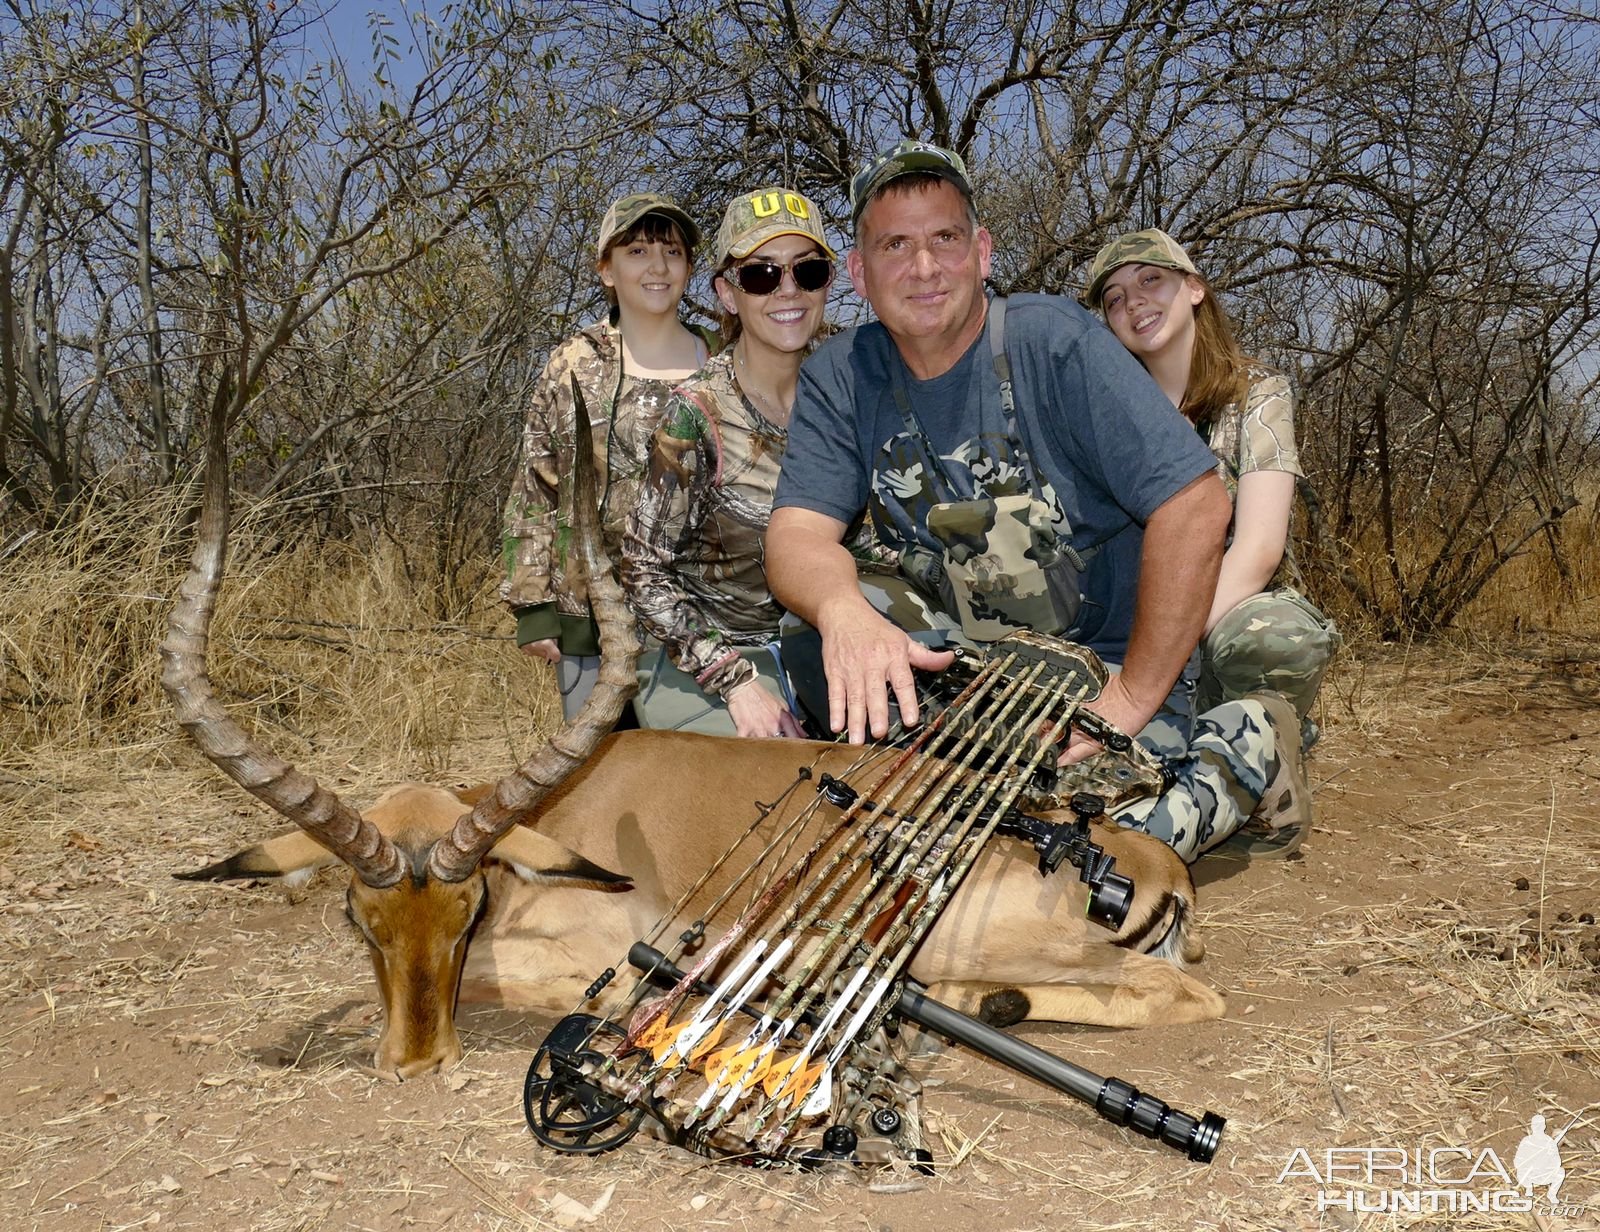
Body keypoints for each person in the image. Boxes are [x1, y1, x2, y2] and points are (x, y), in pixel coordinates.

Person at [764, 139, 1310, 862]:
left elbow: (1197, 507)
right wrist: (842, 615)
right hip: (975, 673)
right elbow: (796, 538)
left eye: (945, 239)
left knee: (1094, 856)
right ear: (860, 274)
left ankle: (1249, 740)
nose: (924, 268)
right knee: (815, 632)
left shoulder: (1053, 339)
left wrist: (1125, 703)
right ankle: (965, 772)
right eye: (895, 245)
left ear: (982, 252)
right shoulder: (840, 372)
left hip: (1108, 673)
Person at [1086, 229, 1339, 747]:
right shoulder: (1105, 412)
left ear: (1195, 288)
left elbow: (1259, 550)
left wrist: (1167, 643)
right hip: (1134, 612)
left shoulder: (1259, 395)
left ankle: (1264, 747)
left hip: (1225, 604)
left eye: (1150, 279)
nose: (1133, 302)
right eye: (1114, 300)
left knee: (1275, 640)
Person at [623, 187, 857, 737]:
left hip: (815, 636)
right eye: (761, 275)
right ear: (728, 294)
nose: (787, 291)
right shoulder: (695, 414)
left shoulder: (847, 394)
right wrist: (733, 678)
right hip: (708, 655)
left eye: (809, 271)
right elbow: (641, 569)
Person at [501, 193, 717, 722]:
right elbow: (535, 484)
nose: (658, 267)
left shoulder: (720, 360)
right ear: (606, 269)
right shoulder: (572, 362)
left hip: (703, 619)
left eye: (672, 251)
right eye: (638, 251)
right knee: (601, 780)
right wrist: (533, 607)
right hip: (592, 622)